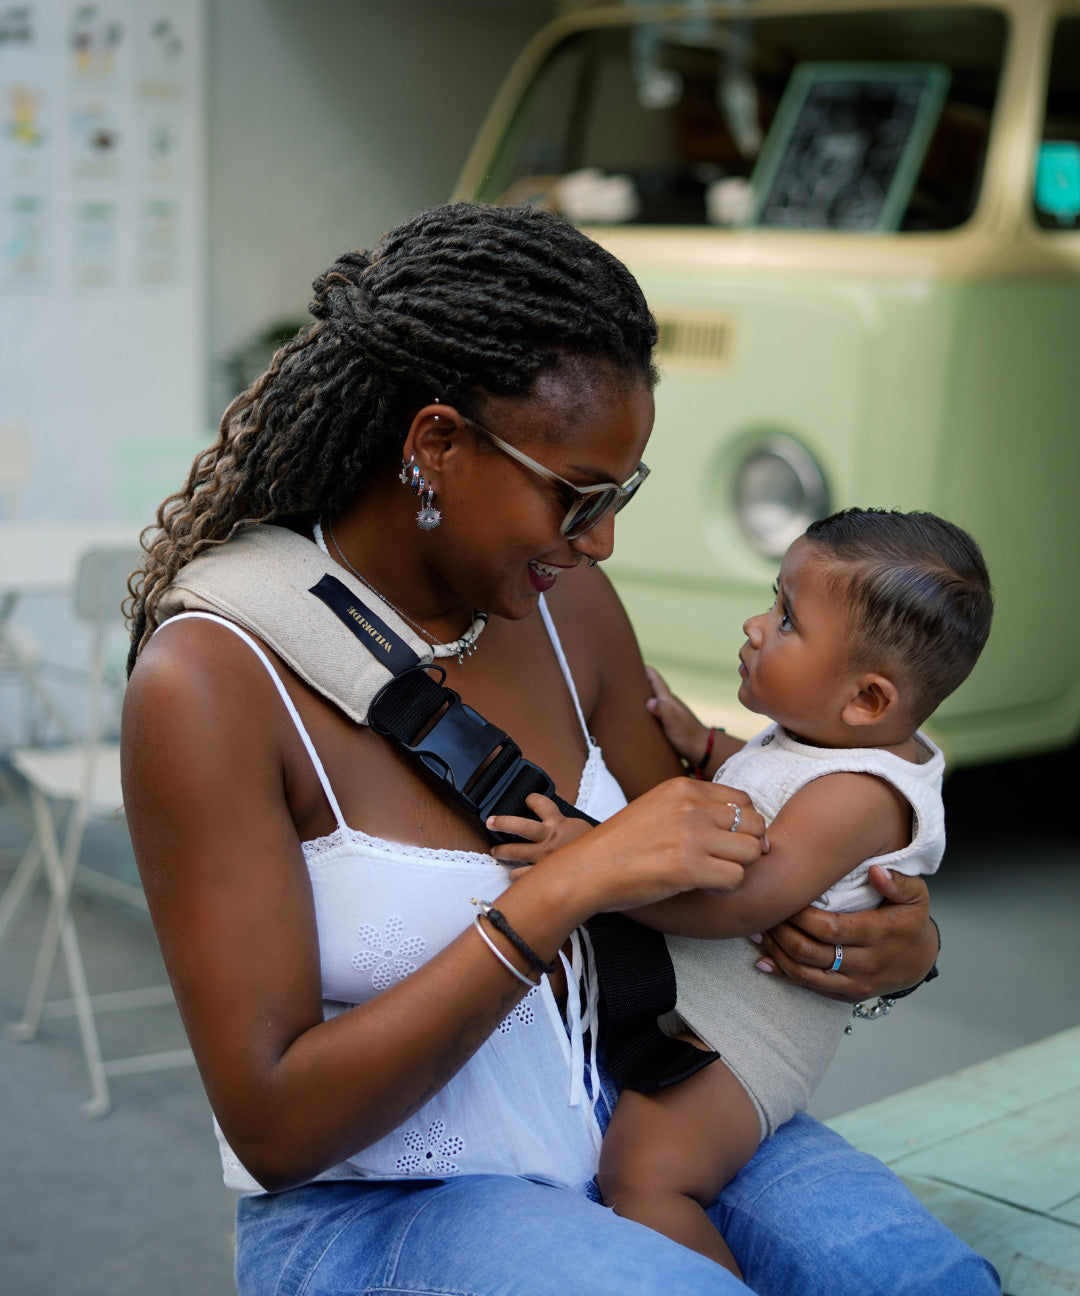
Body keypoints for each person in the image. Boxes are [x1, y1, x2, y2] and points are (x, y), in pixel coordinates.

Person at [120, 202, 999, 1296]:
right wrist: (560, 889)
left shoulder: (566, 600)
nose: (602, 540)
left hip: (637, 1116)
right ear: (437, 444)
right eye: (576, 494)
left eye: (621, 492)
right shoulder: (212, 681)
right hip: (390, 1205)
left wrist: (885, 956)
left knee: (930, 1282)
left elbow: (728, 857)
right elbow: (277, 1127)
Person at [487, 507, 993, 1275]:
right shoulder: (830, 736)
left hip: (742, 1048)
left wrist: (591, 860)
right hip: (700, 1017)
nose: (757, 626)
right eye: (773, 599)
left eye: (787, 619)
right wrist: (710, 747)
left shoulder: (859, 793)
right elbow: (775, 780)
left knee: (643, 1176)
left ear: (868, 701)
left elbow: (740, 900)